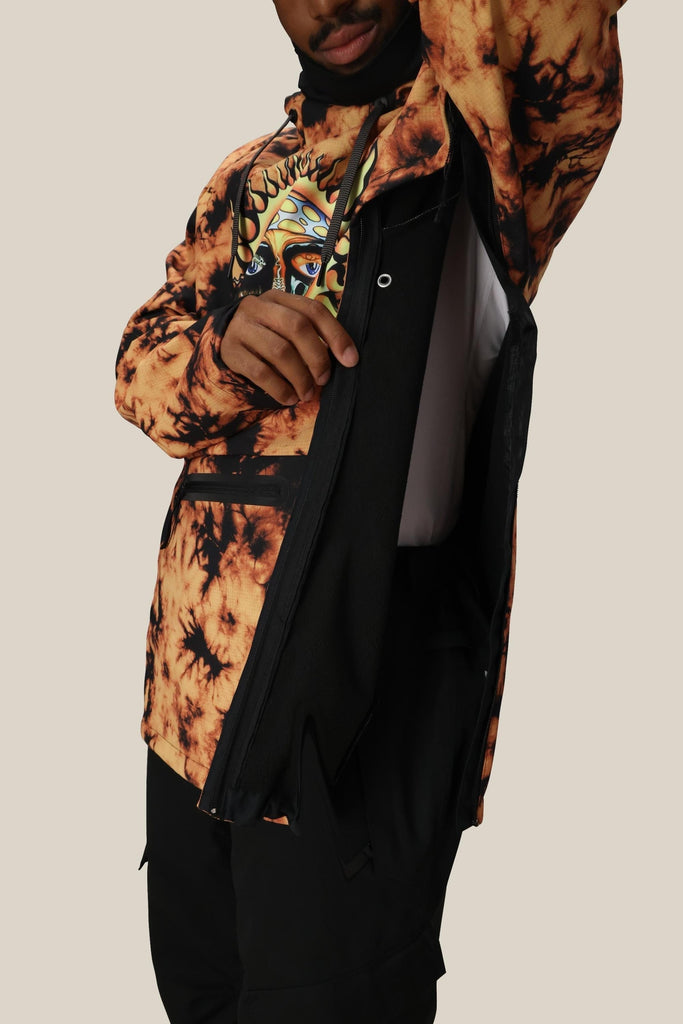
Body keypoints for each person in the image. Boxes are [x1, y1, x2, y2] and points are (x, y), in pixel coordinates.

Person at [115, 1, 626, 1021]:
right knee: (198, 996)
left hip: (355, 721)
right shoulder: (247, 175)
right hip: (190, 716)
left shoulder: (485, 139)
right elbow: (137, 368)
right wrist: (221, 350)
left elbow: (552, 23)